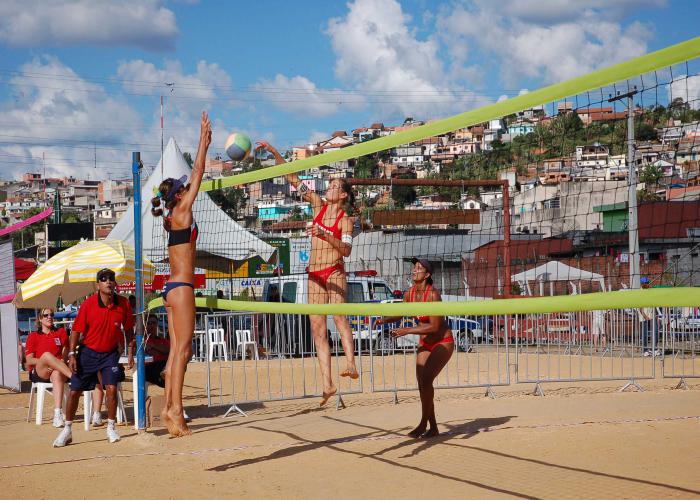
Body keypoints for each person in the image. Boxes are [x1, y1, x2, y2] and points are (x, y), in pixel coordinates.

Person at [256, 140, 358, 406]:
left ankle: (351, 364)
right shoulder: (316, 204)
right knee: (317, 329)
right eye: (331, 184)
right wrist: (278, 153)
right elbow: (293, 178)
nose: (330, 187)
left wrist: (325, 233)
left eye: (335, 185)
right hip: (313, 273)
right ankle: (327, 383)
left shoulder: (345, 219)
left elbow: (346, 250)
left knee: (339, 319)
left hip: (334, 270)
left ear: (344, 195)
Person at [150, 111, 211, 436]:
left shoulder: (173, 217)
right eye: (184, 189)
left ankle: (173, 412)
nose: (189, 190)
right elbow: (199, 170)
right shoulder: (182, 212)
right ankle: (174, 410)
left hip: (171, 288)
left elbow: (195, 178)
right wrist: (203, 141)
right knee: (184, 352)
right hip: (183, 287)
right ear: (178, 196)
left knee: (177, 353)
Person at [52, 268, 134, 447]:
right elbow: (76, 331)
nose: (108, 282)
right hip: (88, 352)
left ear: (115, 283)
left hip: (110, 354)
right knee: (74, 391)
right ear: (98, 284)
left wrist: (129, 350)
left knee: (111, 388)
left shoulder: (123, 304)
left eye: (111, 279)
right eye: (103, 279)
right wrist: (72, 354)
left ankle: (111, 427)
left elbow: (128, 329)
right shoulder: (88, 305)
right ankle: (67, 429)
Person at [373, 258, 454, 438]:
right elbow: (400, 314)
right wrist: (383, 320)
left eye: (419, 268)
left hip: (443, 341)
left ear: (427, 274)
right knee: (423, 383)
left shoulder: (433, 295)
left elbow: (434, 326)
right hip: (425, 342)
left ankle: (422, 424)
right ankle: (432, 427)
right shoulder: (410, 293)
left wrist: (407, 330)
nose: (414, 270)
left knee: (425, 380)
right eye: (414, 267)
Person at [25, 308, 73, 427]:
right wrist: (48, 362)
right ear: (40, 319)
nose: (49, 317)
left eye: (52, 315)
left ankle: (57, 414)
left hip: (56, 370)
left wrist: (61, 359)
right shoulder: (33, 336)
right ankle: (74, 377)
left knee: (57, 374)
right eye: (46, 315)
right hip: (40, 370)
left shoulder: (60, 332)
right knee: (46, 355)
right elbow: (29, 360)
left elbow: (66, 349)